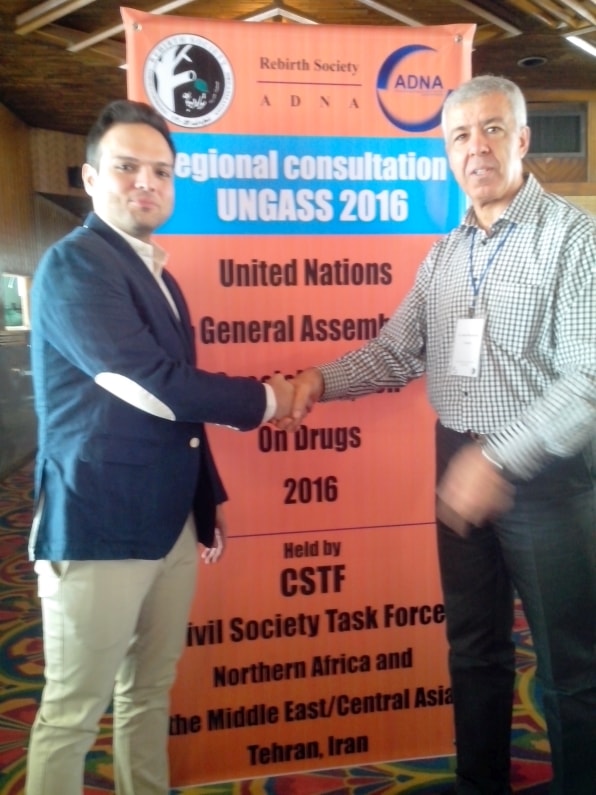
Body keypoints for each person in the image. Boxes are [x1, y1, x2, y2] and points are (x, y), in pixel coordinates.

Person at [281, 75, 596, 795]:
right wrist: (318, 382)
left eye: (492, 129)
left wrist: (500, 458)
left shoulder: (574, 239)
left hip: (542, 478)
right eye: (459, 136)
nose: (475, 147)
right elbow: (396, 351)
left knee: (571, 669)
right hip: (457, 458)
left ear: (522, 140)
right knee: (473, 649)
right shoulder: (445, 253)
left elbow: (588, 379)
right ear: (447, 153)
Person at [26, 99, 293, 795]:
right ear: (91, 178)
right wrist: (268, 400)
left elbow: (179, 419)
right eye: (127, 167)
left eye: (162, 171)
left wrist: (210, 495)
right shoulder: (74, 264)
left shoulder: (160, 275)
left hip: (171, 518)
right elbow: (146, 384)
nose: (146, 182)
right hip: (97, 522)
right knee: (73, 711)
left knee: (148, 691)